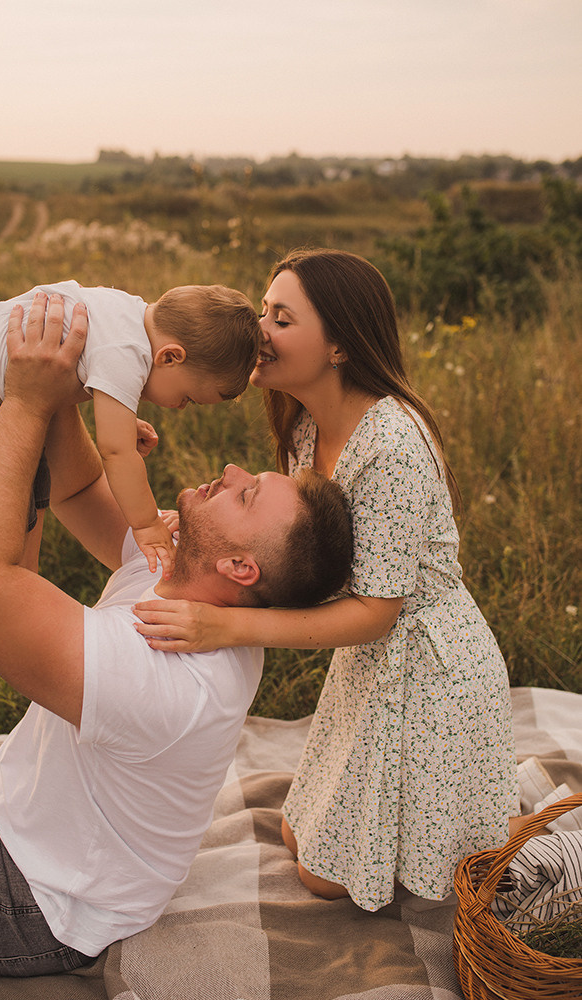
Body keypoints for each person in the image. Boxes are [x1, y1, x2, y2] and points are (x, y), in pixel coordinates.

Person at [0, 294, 353, 976]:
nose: (233, 472)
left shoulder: (168, 672)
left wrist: (28, 404)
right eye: (251, 477)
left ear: (239, 568)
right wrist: (75, 385)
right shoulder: (180, 560)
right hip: (18, 777)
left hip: (39, 891)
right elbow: (75, 488)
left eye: (246, 496)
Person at [133, 247, 520, 911]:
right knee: (296, 839)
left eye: (280, 318)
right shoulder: (305, 427)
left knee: (326, 877)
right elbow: (289, 550)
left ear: (338, 344)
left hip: (427, 672)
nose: (258, 332)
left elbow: (375, 610)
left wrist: (224, 624)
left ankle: (518, 840)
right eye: (262, 311)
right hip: (365, 664)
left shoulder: (393, 444)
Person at [0, 279, 261, 577]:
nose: (179, 407)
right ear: (170, 357)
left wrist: (123, 418)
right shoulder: (127, 352)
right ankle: (4, 598)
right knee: (6, 532)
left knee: (29, 519)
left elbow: (93, 373)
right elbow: (116, 452)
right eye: (188, 397)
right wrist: (147, 524)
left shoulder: (130, 316)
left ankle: (23, 585)